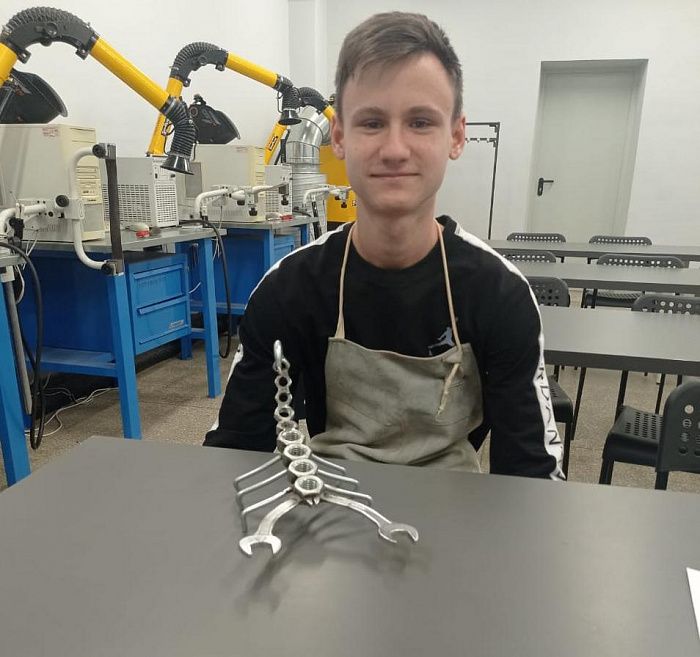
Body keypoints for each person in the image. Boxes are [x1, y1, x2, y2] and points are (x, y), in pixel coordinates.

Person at [204, 11, 564, 480]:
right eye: (372, 122)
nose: (395, 149)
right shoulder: (290, 289)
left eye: (420, 122)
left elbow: (532, 479)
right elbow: (232, 455)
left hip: (458, 507)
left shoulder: (499, 294)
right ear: (339, 137)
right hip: (329, 503)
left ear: (456, 136)